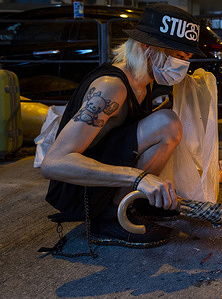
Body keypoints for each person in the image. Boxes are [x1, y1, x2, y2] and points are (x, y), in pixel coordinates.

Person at [40, 3, 205, 249]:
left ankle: (131, 204)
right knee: (165, 122)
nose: (182, 65)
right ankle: (109, 218)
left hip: (105, 179)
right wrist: (138, 178)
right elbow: (53, 164)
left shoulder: (145, 83)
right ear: (147, 48)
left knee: (168, 123)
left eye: (187, 58)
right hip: (80, 192)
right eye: (177, 57)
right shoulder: (111, 87)